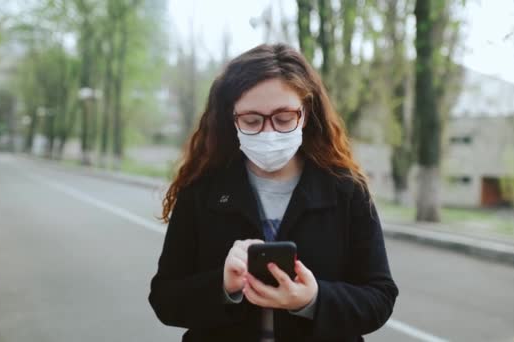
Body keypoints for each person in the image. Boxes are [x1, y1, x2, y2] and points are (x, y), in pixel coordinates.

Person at [148, 43, 398, 342]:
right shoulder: (202, 190)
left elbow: (380, 298)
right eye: (252, 121)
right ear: (232, 119)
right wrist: (224, 286)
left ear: (305, 113)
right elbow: (165, 298)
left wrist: (313, 299)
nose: (268, 133)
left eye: (283, 118)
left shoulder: (346, 190)